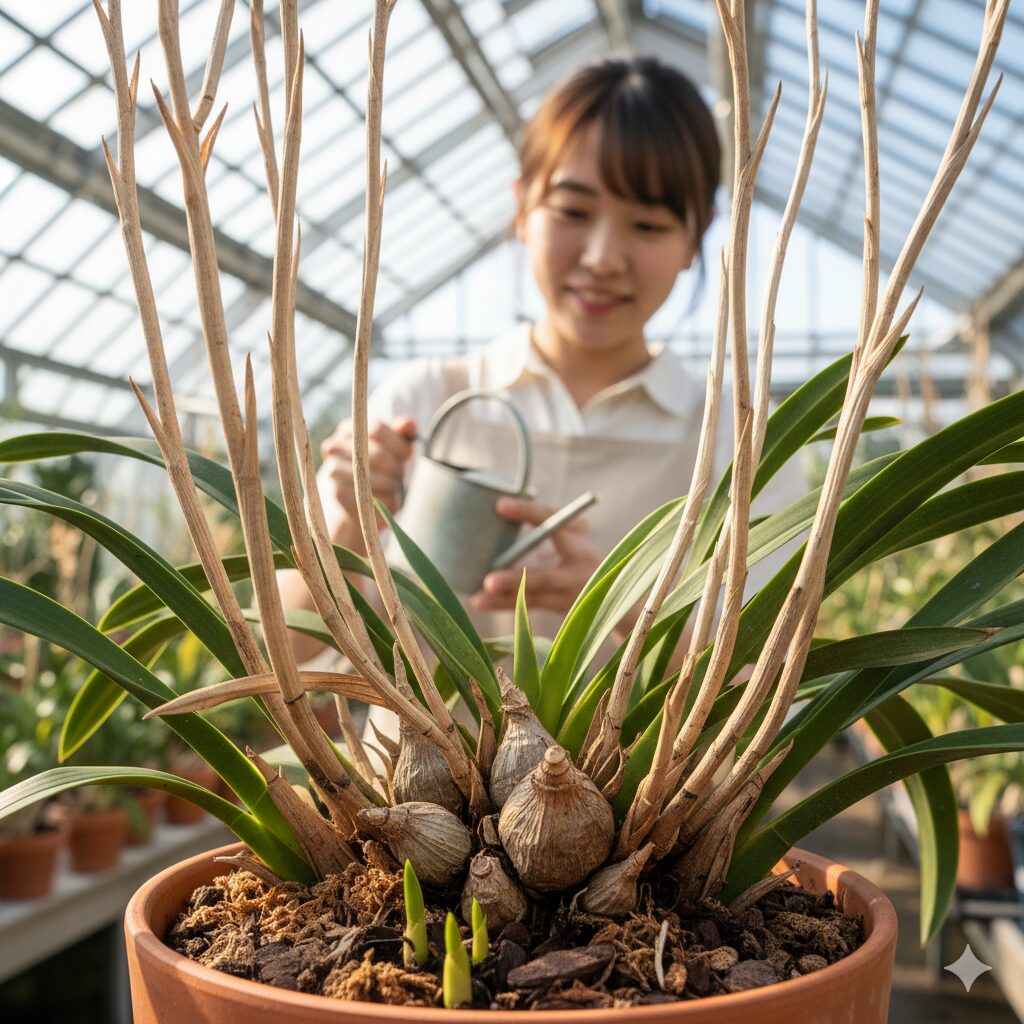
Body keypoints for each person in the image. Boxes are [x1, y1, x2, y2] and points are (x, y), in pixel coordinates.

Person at [281, 55, 725, 664]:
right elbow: (283, 648)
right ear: (522, 208)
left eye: (646, 224)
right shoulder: (422, 405)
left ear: (695, 238)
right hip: (413, 762)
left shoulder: (726, 437)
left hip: (645, 767)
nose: (601, 257)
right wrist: (346, 529)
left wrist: (624, 608)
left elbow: (765, 683)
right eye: (572, 211)